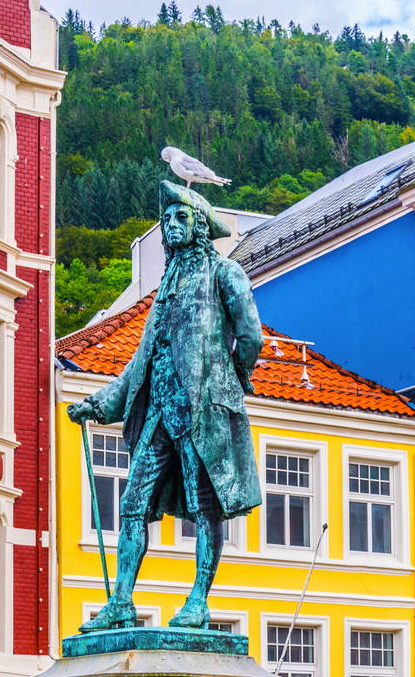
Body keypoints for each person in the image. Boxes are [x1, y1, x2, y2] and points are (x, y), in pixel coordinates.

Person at [67, 180, 263, 630]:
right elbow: (142, 361)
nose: (171, 226)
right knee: (132, 503)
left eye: (181, 218)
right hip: (159, 412)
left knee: (205, 506)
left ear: (200, 226)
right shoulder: (166, 286)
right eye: (166, 219)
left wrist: (228, 380)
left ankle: (199, 601)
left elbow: (250, 335)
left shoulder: (224, 273)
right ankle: (121, 601)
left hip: (202, 411)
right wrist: (99, 404)